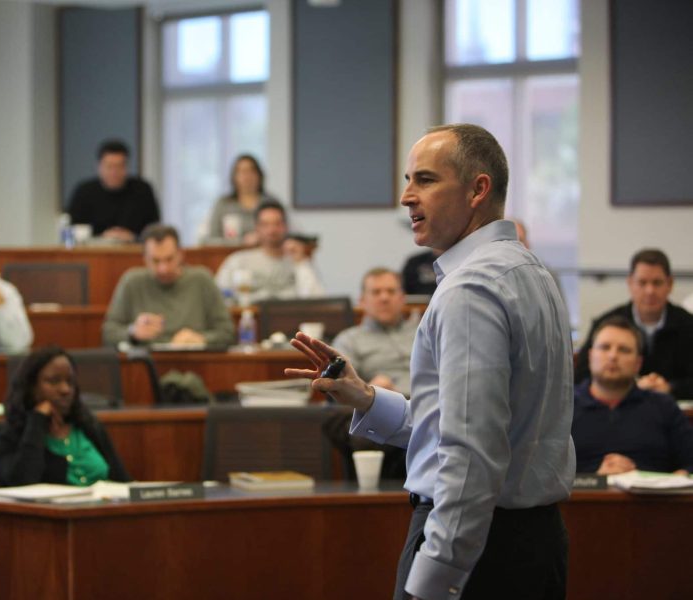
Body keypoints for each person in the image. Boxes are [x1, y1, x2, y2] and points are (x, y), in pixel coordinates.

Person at [286, 124, 574, 600]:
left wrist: (435, 577)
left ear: (478, 189)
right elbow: (480, 423)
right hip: (533, 540)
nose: (406, 197)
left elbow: (471, 453)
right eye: (407, 179)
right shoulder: (534, 272)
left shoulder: (471, 289)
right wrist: (367, 398)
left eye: (425, 180)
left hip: (476, 551)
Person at [0, 346, 131, 487]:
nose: (65, 389)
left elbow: (123, 482)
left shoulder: (88, 426)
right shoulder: (9, 435)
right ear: (31, 387)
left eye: (70, 381)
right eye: (54, 381)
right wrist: (37, 421)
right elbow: (22, 484)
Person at [573, 315, 693, 475]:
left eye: (624, 350)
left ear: (638, 364)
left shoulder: (664, 406)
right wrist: (595, 478)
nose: (613, 356)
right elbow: (546, 473)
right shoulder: (564, 407)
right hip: (581, 498)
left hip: (653, 498)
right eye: (605, 347)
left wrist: (678, 479)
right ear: (590, 356)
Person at [574, 248, 693, 399]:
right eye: (642, 283)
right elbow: (582, 378)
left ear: (669, 284)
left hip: (675, 411)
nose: (650, 291)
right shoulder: (606, 326)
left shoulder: (689, 326)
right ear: (630, 283)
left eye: (657, 283)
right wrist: (630, 387)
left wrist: (670, 387)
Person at [102, 224, 235, 347]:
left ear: (180, 255)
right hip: (145, 365)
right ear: (144, 258)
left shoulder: (202, 279)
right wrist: (132, 332)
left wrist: (202, 339)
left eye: (169, 259)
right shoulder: (132, 281)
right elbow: (108, 334)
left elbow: (228, 333)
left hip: (194, 364)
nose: (163, 269)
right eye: (155, 261)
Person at [214, 200, 323, 304]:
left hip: (289, 318)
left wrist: (301, 262)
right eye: (265, 225)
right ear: (257, 228)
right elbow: (218, 299)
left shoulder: (298, 261)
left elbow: (317, 301)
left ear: (286, 227)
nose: (272, 230)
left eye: (277, 224)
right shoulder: (238, 260)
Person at [332, 268, 418, 395]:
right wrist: (369, 391)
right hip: (383, 406)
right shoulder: (348, 340)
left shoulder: (423, 332)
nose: (384, 298)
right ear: (362, 301)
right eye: (376, 292)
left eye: (391, 291)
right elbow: (343, 388)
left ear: (402, 298)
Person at [67, 139, 160, 241]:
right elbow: (74, 229)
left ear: (127, 167)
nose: (114, 172)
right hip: (94, 250)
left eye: (120, 166)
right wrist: (102, 237)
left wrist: (133, 237)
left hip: (134, 250)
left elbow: (154, 229)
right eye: (109, 166)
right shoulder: (84, 192)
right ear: (99, 167)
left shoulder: (143, 190)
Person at [204, 154, 278, 245]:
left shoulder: (271, 203)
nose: (246, 176)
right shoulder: (224, 204)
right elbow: (211, 240)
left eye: (251, 171)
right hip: (229, 255)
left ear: (259, 175)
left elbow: (283, 235)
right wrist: (241, 242)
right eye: (241, 172)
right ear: (234, 176)